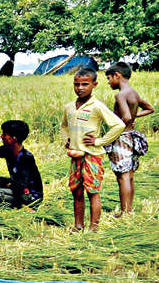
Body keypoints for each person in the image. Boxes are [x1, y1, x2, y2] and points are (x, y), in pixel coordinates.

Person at [61, 68, 125, 231]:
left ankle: (93, 228)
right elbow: (64, 126)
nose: (80, 88)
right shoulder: (69, 107)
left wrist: (100, 141)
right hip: (75, 156)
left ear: (94, 85)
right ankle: (78, 226)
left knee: (92, 192)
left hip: (92, 156)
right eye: (76, 84)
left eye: (85, 84)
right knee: (76, 192)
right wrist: (66, 140)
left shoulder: (97, 106)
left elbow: (118, 125)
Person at [103, 61, 153, 214]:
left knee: (122, 176)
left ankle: (125, 213)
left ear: (117, 75)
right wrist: (133, 116)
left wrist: (112, 130)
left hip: (121, 138)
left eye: (109, 78)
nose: (108, 82)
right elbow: (150, 109)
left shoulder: (120, 95)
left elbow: (125, 117)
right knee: (129, 174)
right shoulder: (133, 93)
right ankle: (128, 210)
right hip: (131, 136)